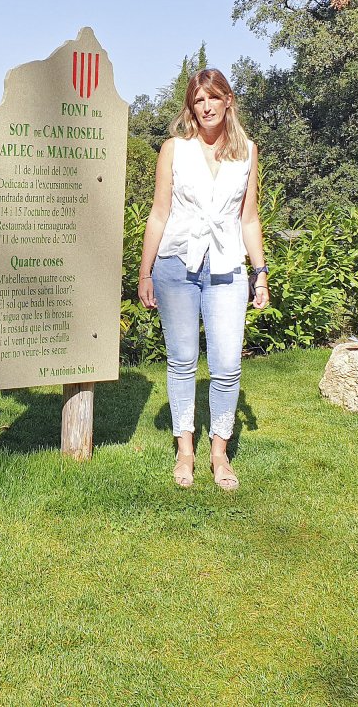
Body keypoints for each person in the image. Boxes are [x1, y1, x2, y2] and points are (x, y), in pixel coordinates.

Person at [137, 68, 270, 491]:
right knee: (182, 360)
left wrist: (260, 272)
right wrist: (145, 272)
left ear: (228, 100)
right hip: (175, 264)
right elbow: (159, 213)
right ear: (191, 107)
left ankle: (220, 452)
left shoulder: (247, 151)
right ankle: (185, 449)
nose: (207, 106)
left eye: (214, 98)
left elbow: (248, 218)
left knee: (228, 364)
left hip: (227, 267)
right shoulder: (174, 149)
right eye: (199, 100)